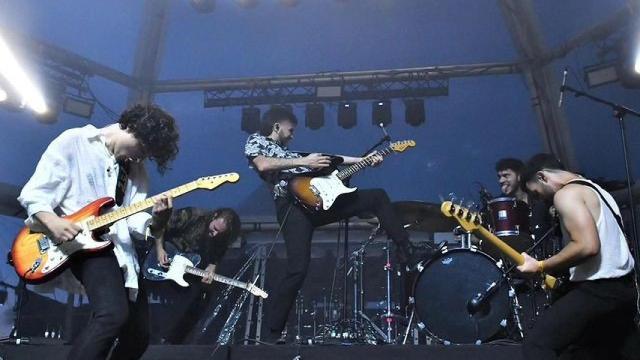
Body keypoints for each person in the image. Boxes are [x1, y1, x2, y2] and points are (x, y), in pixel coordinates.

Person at [18, 104, 180, 360]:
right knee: (112, 314)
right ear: (133, 127)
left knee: (137, 336)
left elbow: (134, 219)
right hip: (83, 245)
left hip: (122, 251)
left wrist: (158, 222)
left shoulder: (135, 170)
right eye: (142, 149)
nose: (140, 158)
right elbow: (35, 193)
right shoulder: (75, 142)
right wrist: (52, 220)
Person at [244, 107, 417, 343]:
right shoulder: (257, 141)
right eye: (290, 130)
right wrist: (305, 160)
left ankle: (406, 249)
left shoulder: (291, 152)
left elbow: (335, 158)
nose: (292, 135)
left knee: (377, 196)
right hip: (293, 209)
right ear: (277, 127)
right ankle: (272, 335)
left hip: (320, 201)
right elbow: (262, 165)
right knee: (298, 269)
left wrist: (366, 160)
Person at [517, 153, 637, 360]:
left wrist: (541, 265)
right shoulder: (596, 190)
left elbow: (587, 245)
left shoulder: (566, 195)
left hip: (599, 289)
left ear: (542, 177)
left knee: (537, 345)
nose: (539, 200)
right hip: (625, 288)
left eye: (536, 193)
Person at [151, 206, 240, 344]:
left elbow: (216, 257)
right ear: (214, 215)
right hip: (164, 259)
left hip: (188, 271)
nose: (215, 234)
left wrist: (212, 268)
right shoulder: (192, 215)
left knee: (204, 297)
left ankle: (173, 340)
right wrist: (160, 249)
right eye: (215, 228)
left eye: (219, 233)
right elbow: (159, 225)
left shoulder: (223, 238)